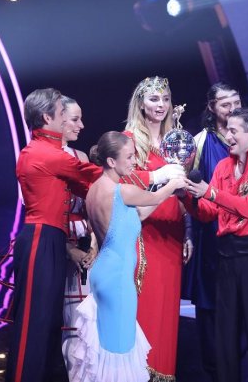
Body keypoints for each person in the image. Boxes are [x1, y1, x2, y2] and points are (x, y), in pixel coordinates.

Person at [66, 131, 187, 381]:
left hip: (104, 273)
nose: (134, 162)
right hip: (118, 279)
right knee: (119, 348)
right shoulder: (122, 191)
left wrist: (165, 190)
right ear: (112, 161)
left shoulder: (95, 189)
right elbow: (154, 196)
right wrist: (173, 183)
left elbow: (140, 213)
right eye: (129, 157)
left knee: (107, 347)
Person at [181, 83, 248, 381]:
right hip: (223, 253)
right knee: (223, 331)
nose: (229, 137)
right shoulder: (223, 165)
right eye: (229, 130)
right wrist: (189, 197)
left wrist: (209, 193)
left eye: (235, 132)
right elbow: (208, 212)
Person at [6, 88, 101, 382]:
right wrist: (150, 177)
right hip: (41, 238)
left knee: (47, 323)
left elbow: (86, 186)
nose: (67, 120)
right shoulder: (45, 153)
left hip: (51, 238)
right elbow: (96, 176)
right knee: (33, 324)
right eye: (62, 114)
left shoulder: (46, 151)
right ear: (47, 118)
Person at [121, 76, 192, 381]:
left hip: (172, 231)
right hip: (144, 230)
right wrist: (159, 178)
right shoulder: (129, 141)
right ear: (141, 103)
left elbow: (183, 191)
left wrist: (188, 230)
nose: (161, 105)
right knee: (145, 303)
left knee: (166, 304)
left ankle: (163, 372)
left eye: (165, 99)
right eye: (153, 99)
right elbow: (123, 186)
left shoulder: (176, 140)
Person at [58, 97, 99, 361]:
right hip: (57, 244)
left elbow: (92, 206)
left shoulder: (81, 157)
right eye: (75, 119)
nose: (81, 125)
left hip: (85, 243)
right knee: (65, 319)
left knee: (86, 318)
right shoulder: (37, 156)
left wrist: (94, 243)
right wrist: (68, 249)